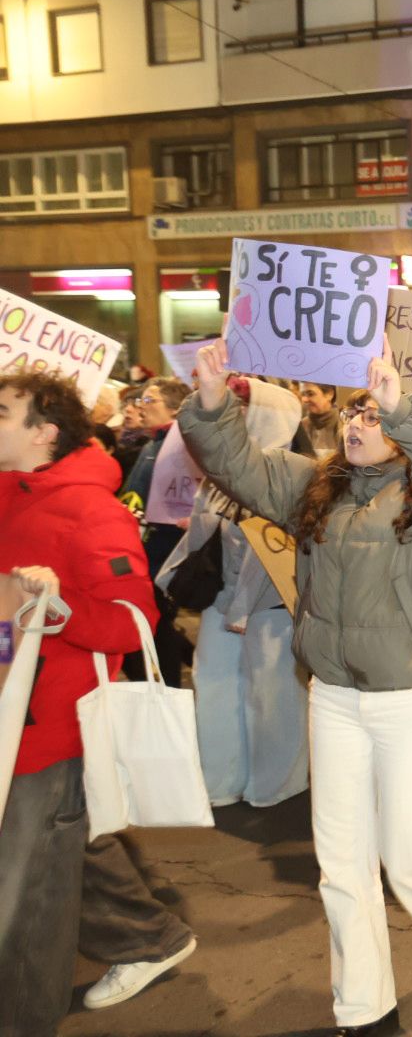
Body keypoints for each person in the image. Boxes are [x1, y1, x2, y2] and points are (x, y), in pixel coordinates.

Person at [180, 342, 412, 1036]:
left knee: (408, 857)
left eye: (371, 415)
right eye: (352, 413)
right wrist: (211, 402)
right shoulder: (315, 485)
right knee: (341, 865)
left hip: (409, 700)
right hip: (334, 699)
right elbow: (240, 466)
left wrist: (402, 402)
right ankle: (364, 1008)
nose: (356, 424)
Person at [0, 372, 197, 1033]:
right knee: (66, 850)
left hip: (49, 729)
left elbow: (128, 620)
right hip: (11, 721)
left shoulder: (93, 511)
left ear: (44, 429)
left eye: (3, 411)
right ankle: (151, 939)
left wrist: (52, 607)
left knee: (26, 896)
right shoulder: (8, 492)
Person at [156, 378, 308, 809]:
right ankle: (219, 780)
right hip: (223, 599)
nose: (233, 415)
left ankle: (275, 784)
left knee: (272, 693)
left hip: (271, 604)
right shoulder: (221, 472)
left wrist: (240, 607)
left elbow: (271, 550)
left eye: (242, 407)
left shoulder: (288, 475)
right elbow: (202, 536)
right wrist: (171, 580)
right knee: (216, 684)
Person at [117, 375, 193, 687]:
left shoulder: (183, 447)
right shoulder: (152, 443)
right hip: (141, 552)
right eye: (141, 401)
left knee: (157, 630)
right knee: (153, 630)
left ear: (176, 410)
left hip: (161, 556)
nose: (142, 407)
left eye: (151, 401)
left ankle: (169, 692)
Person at [295, 382, 343, 457]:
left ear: (329, 394)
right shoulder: (300, 426)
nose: (304, 399)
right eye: (302, 394)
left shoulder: (345, 424)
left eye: (310, 394)